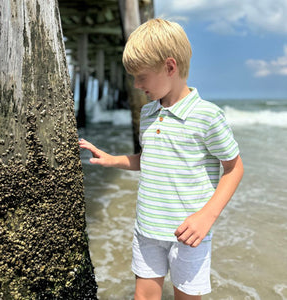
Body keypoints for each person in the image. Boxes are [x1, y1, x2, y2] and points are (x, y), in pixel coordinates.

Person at [79, 18, 243, 300]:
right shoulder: (147, 113)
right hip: (147, 227)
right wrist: (113, 160)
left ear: (169, 67)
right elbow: (150, 159)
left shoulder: (207, 115)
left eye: (140, 76)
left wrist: (207, 216)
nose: (135, 85)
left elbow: (234, 168)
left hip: (189, 232)